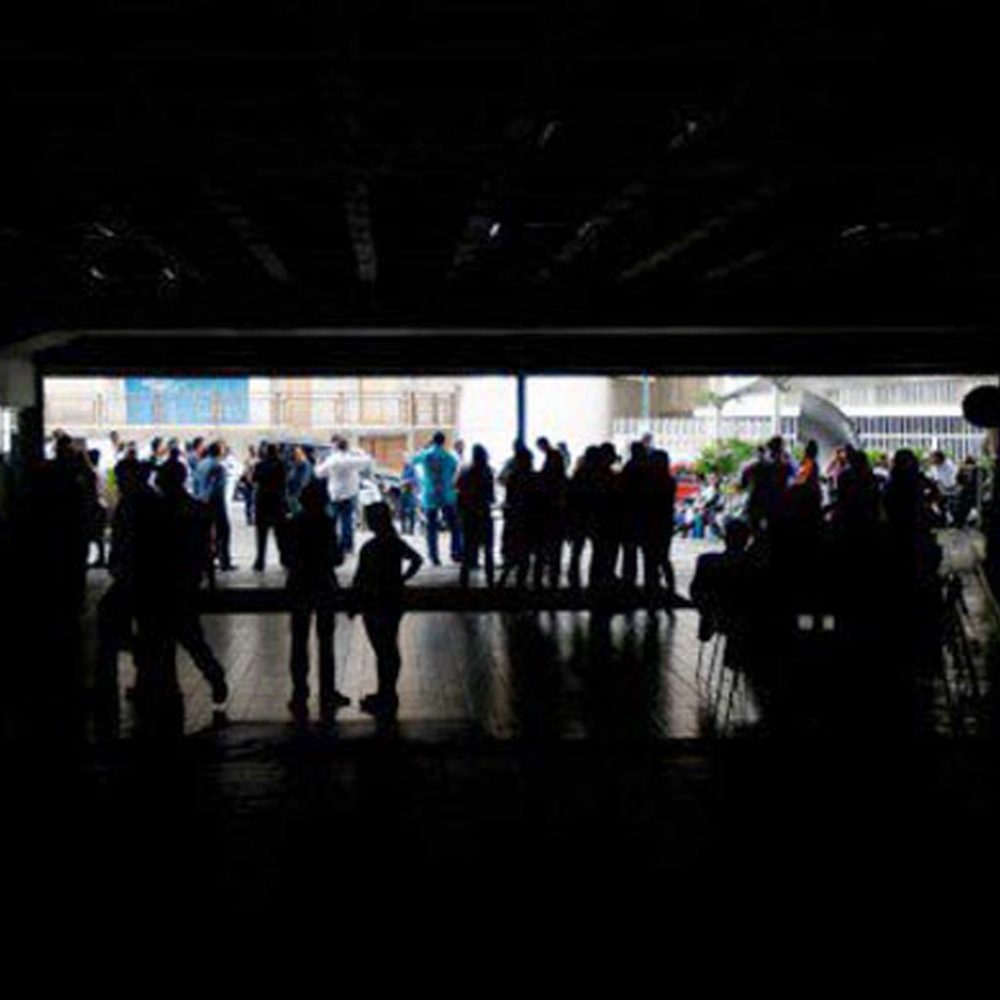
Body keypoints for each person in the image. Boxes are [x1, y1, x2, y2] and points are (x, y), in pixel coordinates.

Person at [282, 478, 349, 722]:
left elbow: (286, 558)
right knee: (326, 641)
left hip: (299, 585)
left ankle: (299, 692)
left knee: (299, 642)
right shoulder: (327, 523)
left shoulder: (292, 524)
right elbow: (336, 558)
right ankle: (327, 691)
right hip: (323, 585)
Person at [350, 502, 423, 718]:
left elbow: (360, 578)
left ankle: (386, 693)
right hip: (392, 599)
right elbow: (417, 560)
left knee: (382, 649)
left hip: (372, 602)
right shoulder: (394, 543)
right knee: (389, 646)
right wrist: (402, 580)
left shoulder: (369, 548)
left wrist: (354, 603)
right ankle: (388, 692)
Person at [314, 436, 373, 558]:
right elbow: (368, 460)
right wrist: (357, 451)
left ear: (335, 447)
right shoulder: (351, 460)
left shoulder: (331, 460)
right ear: (347, 447)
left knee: (332, 522)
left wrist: (318, 462)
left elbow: (318, 473)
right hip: (349, 494)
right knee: (347, 521)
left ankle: (331, 545)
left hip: (335, 495)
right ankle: (347, 546)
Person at [412, 431, 461, 566]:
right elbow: (454, 471)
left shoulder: (425, 455)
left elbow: (412, 461)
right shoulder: (449, 456)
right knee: (455, 526)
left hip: (430, 495)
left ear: (433, 441)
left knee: (431, 527)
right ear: (444, 441)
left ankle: (434, 557)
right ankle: (455, 552)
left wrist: (424, 449)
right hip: (447, 495)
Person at [456, 444, 495, 587]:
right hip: (484, 514)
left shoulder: (465, 471)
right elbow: (491, 497)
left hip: (469, 516)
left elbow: (458, 489)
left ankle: (463, 584)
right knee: (488, 551)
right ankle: (491, 582)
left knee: (468, 550)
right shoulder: (488, 471)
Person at [195, 442, 235, 571]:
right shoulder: (218, 467)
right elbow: (215, 488)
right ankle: (225, 562)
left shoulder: (201, 464)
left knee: (206, 535)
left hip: (201, 503)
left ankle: (206, 561)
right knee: (223, 533)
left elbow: (196, 483)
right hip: (216, 505)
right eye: (223, 449)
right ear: (218, 452)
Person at [252, 443, 288, 571]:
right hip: (277, 502)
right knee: (281, 534)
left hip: (262, 502)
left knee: (261, 534)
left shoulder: (259, 465)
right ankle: (285, 560)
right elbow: (285, 482)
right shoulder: (282, 465)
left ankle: (260, 562)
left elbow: (254, 479)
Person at [285, 445, 313, 516]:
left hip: (299, 491)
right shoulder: (297, 464)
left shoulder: (305, 464)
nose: (295, 455)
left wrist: (302, 488)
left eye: (297, 453)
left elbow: (305, 478)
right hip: (294, 490)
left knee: (298, 509)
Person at [399, 456, 418, 535]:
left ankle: (411, 530)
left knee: (411, 511)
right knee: (402, 511)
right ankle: (403, 529)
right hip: (403, 491)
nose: (403, 461)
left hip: (410, 492)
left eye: (405, 459)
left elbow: (415, 480)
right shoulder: (404, 469)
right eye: (403, 460)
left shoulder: (412, 468)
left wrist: (406, 481)